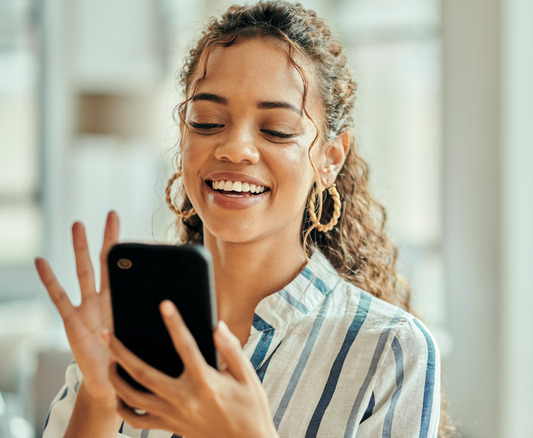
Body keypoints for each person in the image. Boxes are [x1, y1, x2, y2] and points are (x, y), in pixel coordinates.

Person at [34, 2, 453, 437]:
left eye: (276, 130)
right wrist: (99, 402)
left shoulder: (388, 349)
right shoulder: (127, 325)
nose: (235, 148)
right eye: (208, 121)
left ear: (330, 159)